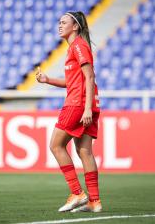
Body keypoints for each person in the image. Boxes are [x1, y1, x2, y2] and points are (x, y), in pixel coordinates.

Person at [36, 11, 102, 213]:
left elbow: (89, 77)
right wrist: (48, 80)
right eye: (59, 22)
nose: (60, 25)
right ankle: (94, 201)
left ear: (75, 27)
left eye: (64, 22)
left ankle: (77, 192)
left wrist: (87, 108)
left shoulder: (79, 46)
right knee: (85, 152)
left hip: (77, 104)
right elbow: (74, 81)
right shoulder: (75, 48)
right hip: (84, 102)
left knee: (56, 145)